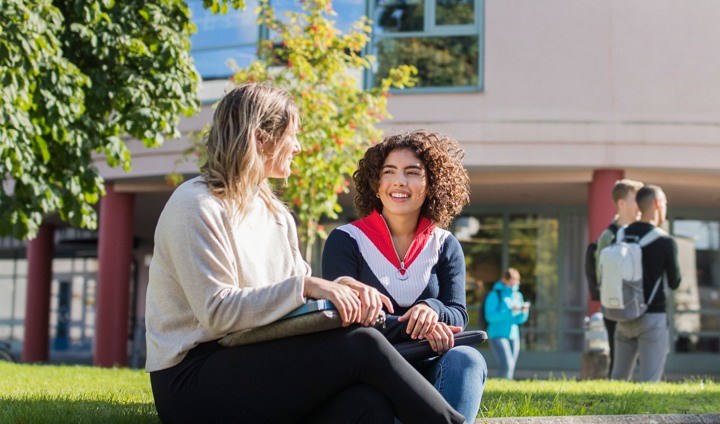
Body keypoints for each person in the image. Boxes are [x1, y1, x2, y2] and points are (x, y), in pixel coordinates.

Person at [144, 84, 466, 423]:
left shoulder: (276, 215)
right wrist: (310, 286)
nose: (297, 146)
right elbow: (219, 313)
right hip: (192, 379)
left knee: (367, 404)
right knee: (362, 346)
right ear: (260, 138)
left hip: (257, 358)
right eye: (292, 135)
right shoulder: (196, 205)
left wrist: (344, 291)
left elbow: (297, 305)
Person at [322, 130, 487, 422]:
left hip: (430, 363)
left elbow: (458, 314)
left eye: (412, 172)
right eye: (389, 172)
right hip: (371, 371)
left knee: (468, 360)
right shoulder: (346, 239)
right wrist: (420, 326)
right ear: (376, 184)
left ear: (430, 184)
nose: (399, 181)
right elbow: (344, 317)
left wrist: (432, 309)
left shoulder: (445, 244)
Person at [611, 184, 681, 382]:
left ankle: (606, 414)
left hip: (623, 315)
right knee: (650, 381)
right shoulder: (665, 241)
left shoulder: (621, 235)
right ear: (657, 204)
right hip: (652, 316)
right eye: (665, 202)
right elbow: (675, 282)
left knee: (617, 380)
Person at [591, 178, 644, 376]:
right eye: (635, 199)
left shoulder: (644, 232)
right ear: (621, 203)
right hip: (615, 304)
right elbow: (600, 273)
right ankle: (617, 395)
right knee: (618, 353)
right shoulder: (608, 236)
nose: (640, 204)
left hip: (640, 302)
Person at [484, 268, 530, 380]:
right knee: (507, 365)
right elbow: (490, 317)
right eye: (513, 281)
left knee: (511, 367)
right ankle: (497, 386)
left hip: (513, 335)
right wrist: (510, 312)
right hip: (497, 334)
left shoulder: (517, 295)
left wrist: (523, 312)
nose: (515, 284)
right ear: (505, 280)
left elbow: (519, 320)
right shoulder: (495, 294)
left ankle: (506, 388)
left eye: (517, 281)